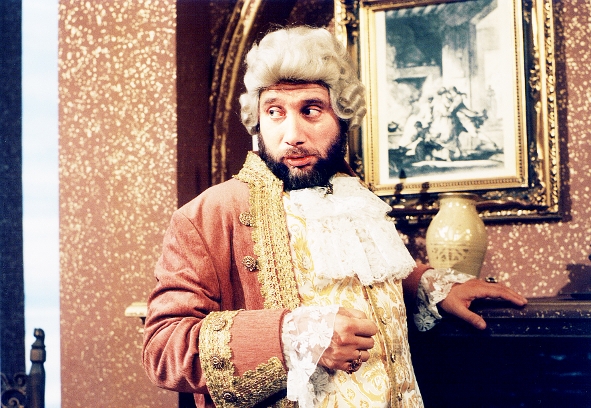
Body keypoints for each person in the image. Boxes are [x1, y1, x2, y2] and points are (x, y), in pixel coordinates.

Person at [142, 26, 527, 408]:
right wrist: (292, 337)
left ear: (343, 117)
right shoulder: (208, 215)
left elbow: (360, 279)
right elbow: (163, 348)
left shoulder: (354, 197)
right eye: (275, 112)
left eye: (310, 110)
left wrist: (429, 287)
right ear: (258, 121)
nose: (292, 135)